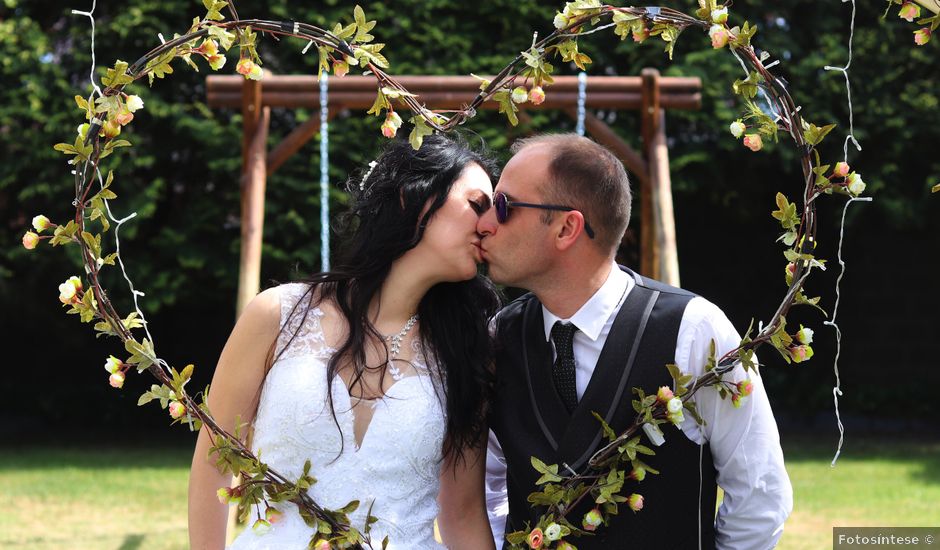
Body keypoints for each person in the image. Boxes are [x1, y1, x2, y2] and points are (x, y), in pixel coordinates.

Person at [479, 134, 792, 549]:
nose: (485, 223)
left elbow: (759, 492)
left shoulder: (693, 330)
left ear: (567, 227)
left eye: (503, 206)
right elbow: (485, 490)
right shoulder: (499, 338)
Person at [188, 134, 501, 550]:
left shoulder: (467, 354)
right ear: (414, 197)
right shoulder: (277, 316)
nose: (490, 225)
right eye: (478, 204)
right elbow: (214, 465)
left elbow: (462, 515)